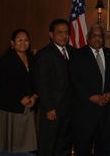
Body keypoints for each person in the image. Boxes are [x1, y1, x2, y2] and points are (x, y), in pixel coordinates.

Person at [70, 24, 110, 156]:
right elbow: (74, 81)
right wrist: (90, 97)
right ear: (87, 37)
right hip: (85, 111)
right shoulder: (77, 55)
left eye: (100, 36)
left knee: (106, 149)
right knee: (83, 149)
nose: (97, 39)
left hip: (107, 113)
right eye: (94, 36)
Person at [0, 29, 37, 153]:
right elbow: (5, 83)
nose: (23, 43)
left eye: (26, 40)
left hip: (29, 105)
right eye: (19, 40)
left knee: (26, 144)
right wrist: (20, 98)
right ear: (12, 43)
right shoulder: (6, 60)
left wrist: (34, 97)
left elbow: (37, 81)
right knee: (10, 145)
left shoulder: (33, 59)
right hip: (10, 107)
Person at [35, 18, 74, 156]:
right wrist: (49, 107)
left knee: (64, 145)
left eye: (66, 32)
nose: (64, 36)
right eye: (60, 32)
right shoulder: (44, 54)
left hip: (69, 109)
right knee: (48, 146)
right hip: (52, 110)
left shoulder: (72, 51)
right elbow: (41, 84)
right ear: (51, 35)